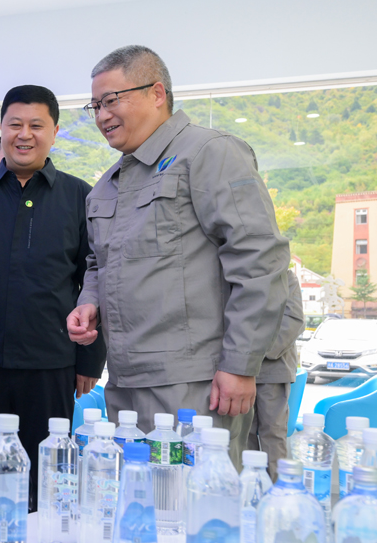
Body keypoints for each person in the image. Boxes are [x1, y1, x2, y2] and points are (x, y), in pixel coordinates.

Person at [67, 46, 290, 468]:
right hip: (126, 381)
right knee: (139, 499)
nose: (101, 116)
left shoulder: (209, 153)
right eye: (95, 106)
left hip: (197, 383)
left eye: (111, 100)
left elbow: (260, 260)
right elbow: (98, 263)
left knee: (195, 500)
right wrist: (88, 302)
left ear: (156, 93)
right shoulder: (107, 186)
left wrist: (240, 365)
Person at [0, 85, 106, 533]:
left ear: (54, 132)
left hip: (51, 364)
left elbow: (96, 278)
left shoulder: (81, 197)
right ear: (1, 130)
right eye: (14, 124)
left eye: (36, 125)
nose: (24, 135)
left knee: (48, 477)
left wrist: (89, 360)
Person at [250, 271, 304, 479]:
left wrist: (251, 356)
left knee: (272, 433)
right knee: (242, 434)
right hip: (237, 370)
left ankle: (277, 488)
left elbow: (293, 322)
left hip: (273, 368)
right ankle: (250, 486)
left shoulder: (286, 277)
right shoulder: (237, 276)